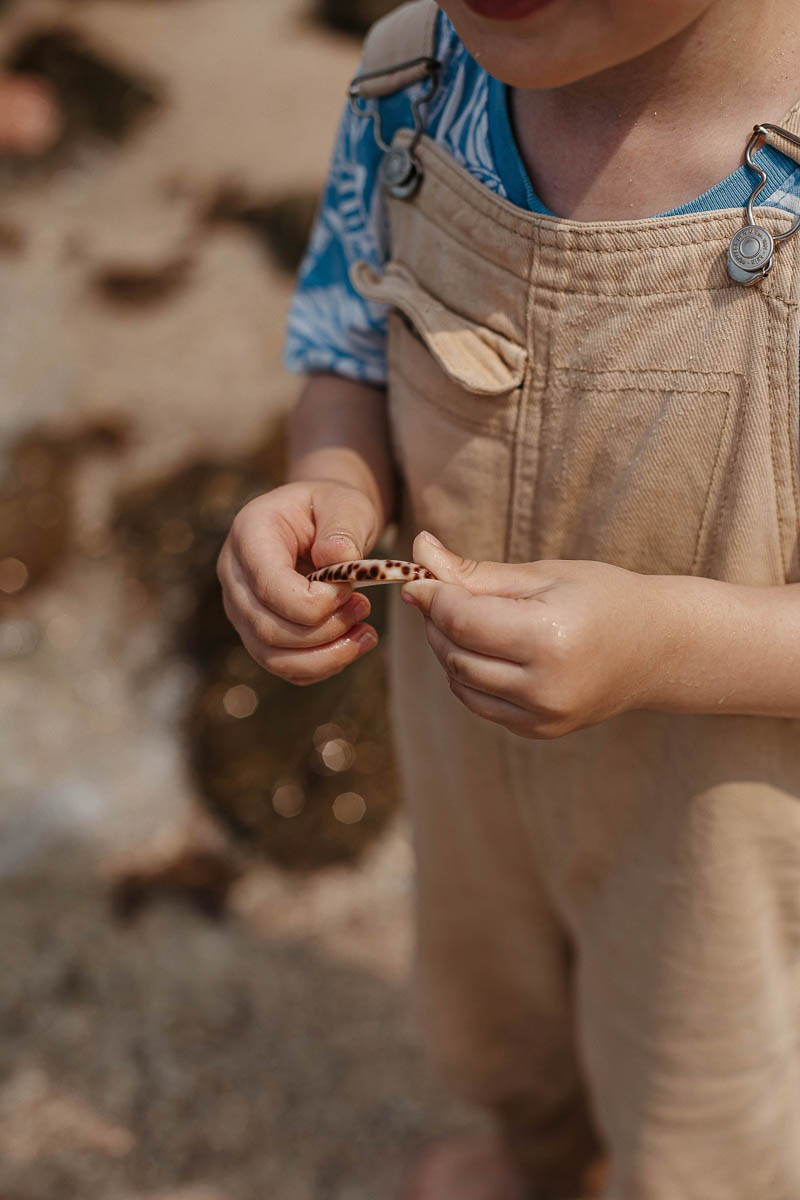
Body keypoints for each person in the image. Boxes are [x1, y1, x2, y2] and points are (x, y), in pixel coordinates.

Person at [218, 1, 800, 1196]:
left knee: (697, 1117)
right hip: (466, 755)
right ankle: (540, 1154)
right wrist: (330, 486)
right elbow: (347, 353)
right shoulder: (414, 85)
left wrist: (658, 645)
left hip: (715, 825)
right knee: (494, 1017)